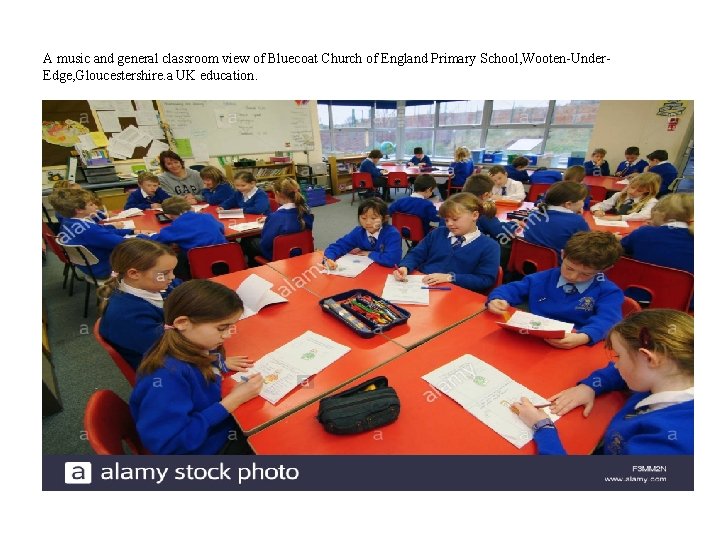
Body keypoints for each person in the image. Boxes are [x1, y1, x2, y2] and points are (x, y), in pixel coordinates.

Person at [511, 309, 694, 455]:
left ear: (649, 359)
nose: (616, 364)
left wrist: (543, 428)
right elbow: (616, 373)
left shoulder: (668, 445)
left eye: (619, 356)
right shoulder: (675, 374)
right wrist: (589, 386)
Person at [130, 280, 263, 454]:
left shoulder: (189, 345)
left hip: (217, 427)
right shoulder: (166, 377)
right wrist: (232, 401)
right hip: (207, 449)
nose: (229, 334)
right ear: (183, 322)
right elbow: (169, 445)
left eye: (232, 326)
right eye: (222, 328)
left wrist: (218, 362)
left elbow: (198, 366)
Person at [487, 231, 624, 349]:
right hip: (532, 338)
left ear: (604, 269)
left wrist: (584, 337)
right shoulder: (544, 278)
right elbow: (512, 289)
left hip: (572, 343)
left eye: (585, 274)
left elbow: (608, 320)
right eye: (569, 268)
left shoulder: (608, 291)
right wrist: (498, 299)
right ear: (563, 255)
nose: (573, 277)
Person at [98, 239, 180, 370]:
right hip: (162, 367)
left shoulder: (159, 285)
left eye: (172, 271)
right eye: (165, 273)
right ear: (134, 274)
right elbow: (170, 351)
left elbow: (186, 291)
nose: (172, 277)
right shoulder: (126, 316)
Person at [393, 193, 500, 292]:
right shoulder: (437, 233)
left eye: (455, 219)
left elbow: (485, 279)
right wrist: (405, 267)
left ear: (474, 215)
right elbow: (416, 254)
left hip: (456, 294)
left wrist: (450, 277)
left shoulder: (490, 247)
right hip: (423, 287)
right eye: (446, 220)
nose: (449, 224)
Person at [50, 188, 137, 278]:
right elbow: (124, 244)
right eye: (91, 204)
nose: (96, 206)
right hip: (105, 268)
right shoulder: (88, 230)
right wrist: (149, 236)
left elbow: (101, 231)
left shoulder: (68, 222)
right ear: (79, 210)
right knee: (145, 251)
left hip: (90, 267)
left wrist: (131, 231)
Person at [242, 178, 314, 264]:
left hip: (280, 256)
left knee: (247, 241)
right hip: (302, 251)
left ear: (277, 193)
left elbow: (265, 244)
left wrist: (270, 220)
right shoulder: (306, 211)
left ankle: (254, 267)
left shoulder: (275, 217)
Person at [620, 193, 693, 275]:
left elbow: (620, 248)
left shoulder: (643, 233)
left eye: (654, 210)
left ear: (663, 214)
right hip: (681, 287)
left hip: (639, 285)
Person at [324, 198, 402, 268]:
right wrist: (329, 258)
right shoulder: (359, 232)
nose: (368, 222)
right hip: (365, 270)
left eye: (373, 218)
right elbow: (339, 245)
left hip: (385, 273)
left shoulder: (392, 234)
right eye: (363, 218)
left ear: (385, 218)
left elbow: (392, 259)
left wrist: (370, 254)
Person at [462, 173, 518, 267]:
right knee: (506, 243)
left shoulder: (454, 205)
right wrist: (514, 223)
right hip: (476, 253)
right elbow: (501, 231)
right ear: (486, 195)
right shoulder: (481, 210)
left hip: (457, 249)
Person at [523, 182, 590, 257]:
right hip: (559, 265)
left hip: (529, 260)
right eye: (583, 201)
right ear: (568, 204)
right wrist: (576, 217)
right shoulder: (577, 221)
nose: (583, 204)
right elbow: (587, 247)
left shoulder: (534, 214)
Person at [591, 172, 660, 221]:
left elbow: (645, 215)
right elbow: (601, 205)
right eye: (632, 187)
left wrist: (619, 217)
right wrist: (597, 210)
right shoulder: (619, 195)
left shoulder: (651, 201)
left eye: (639, 191)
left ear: (647, 191)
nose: (632, 192)